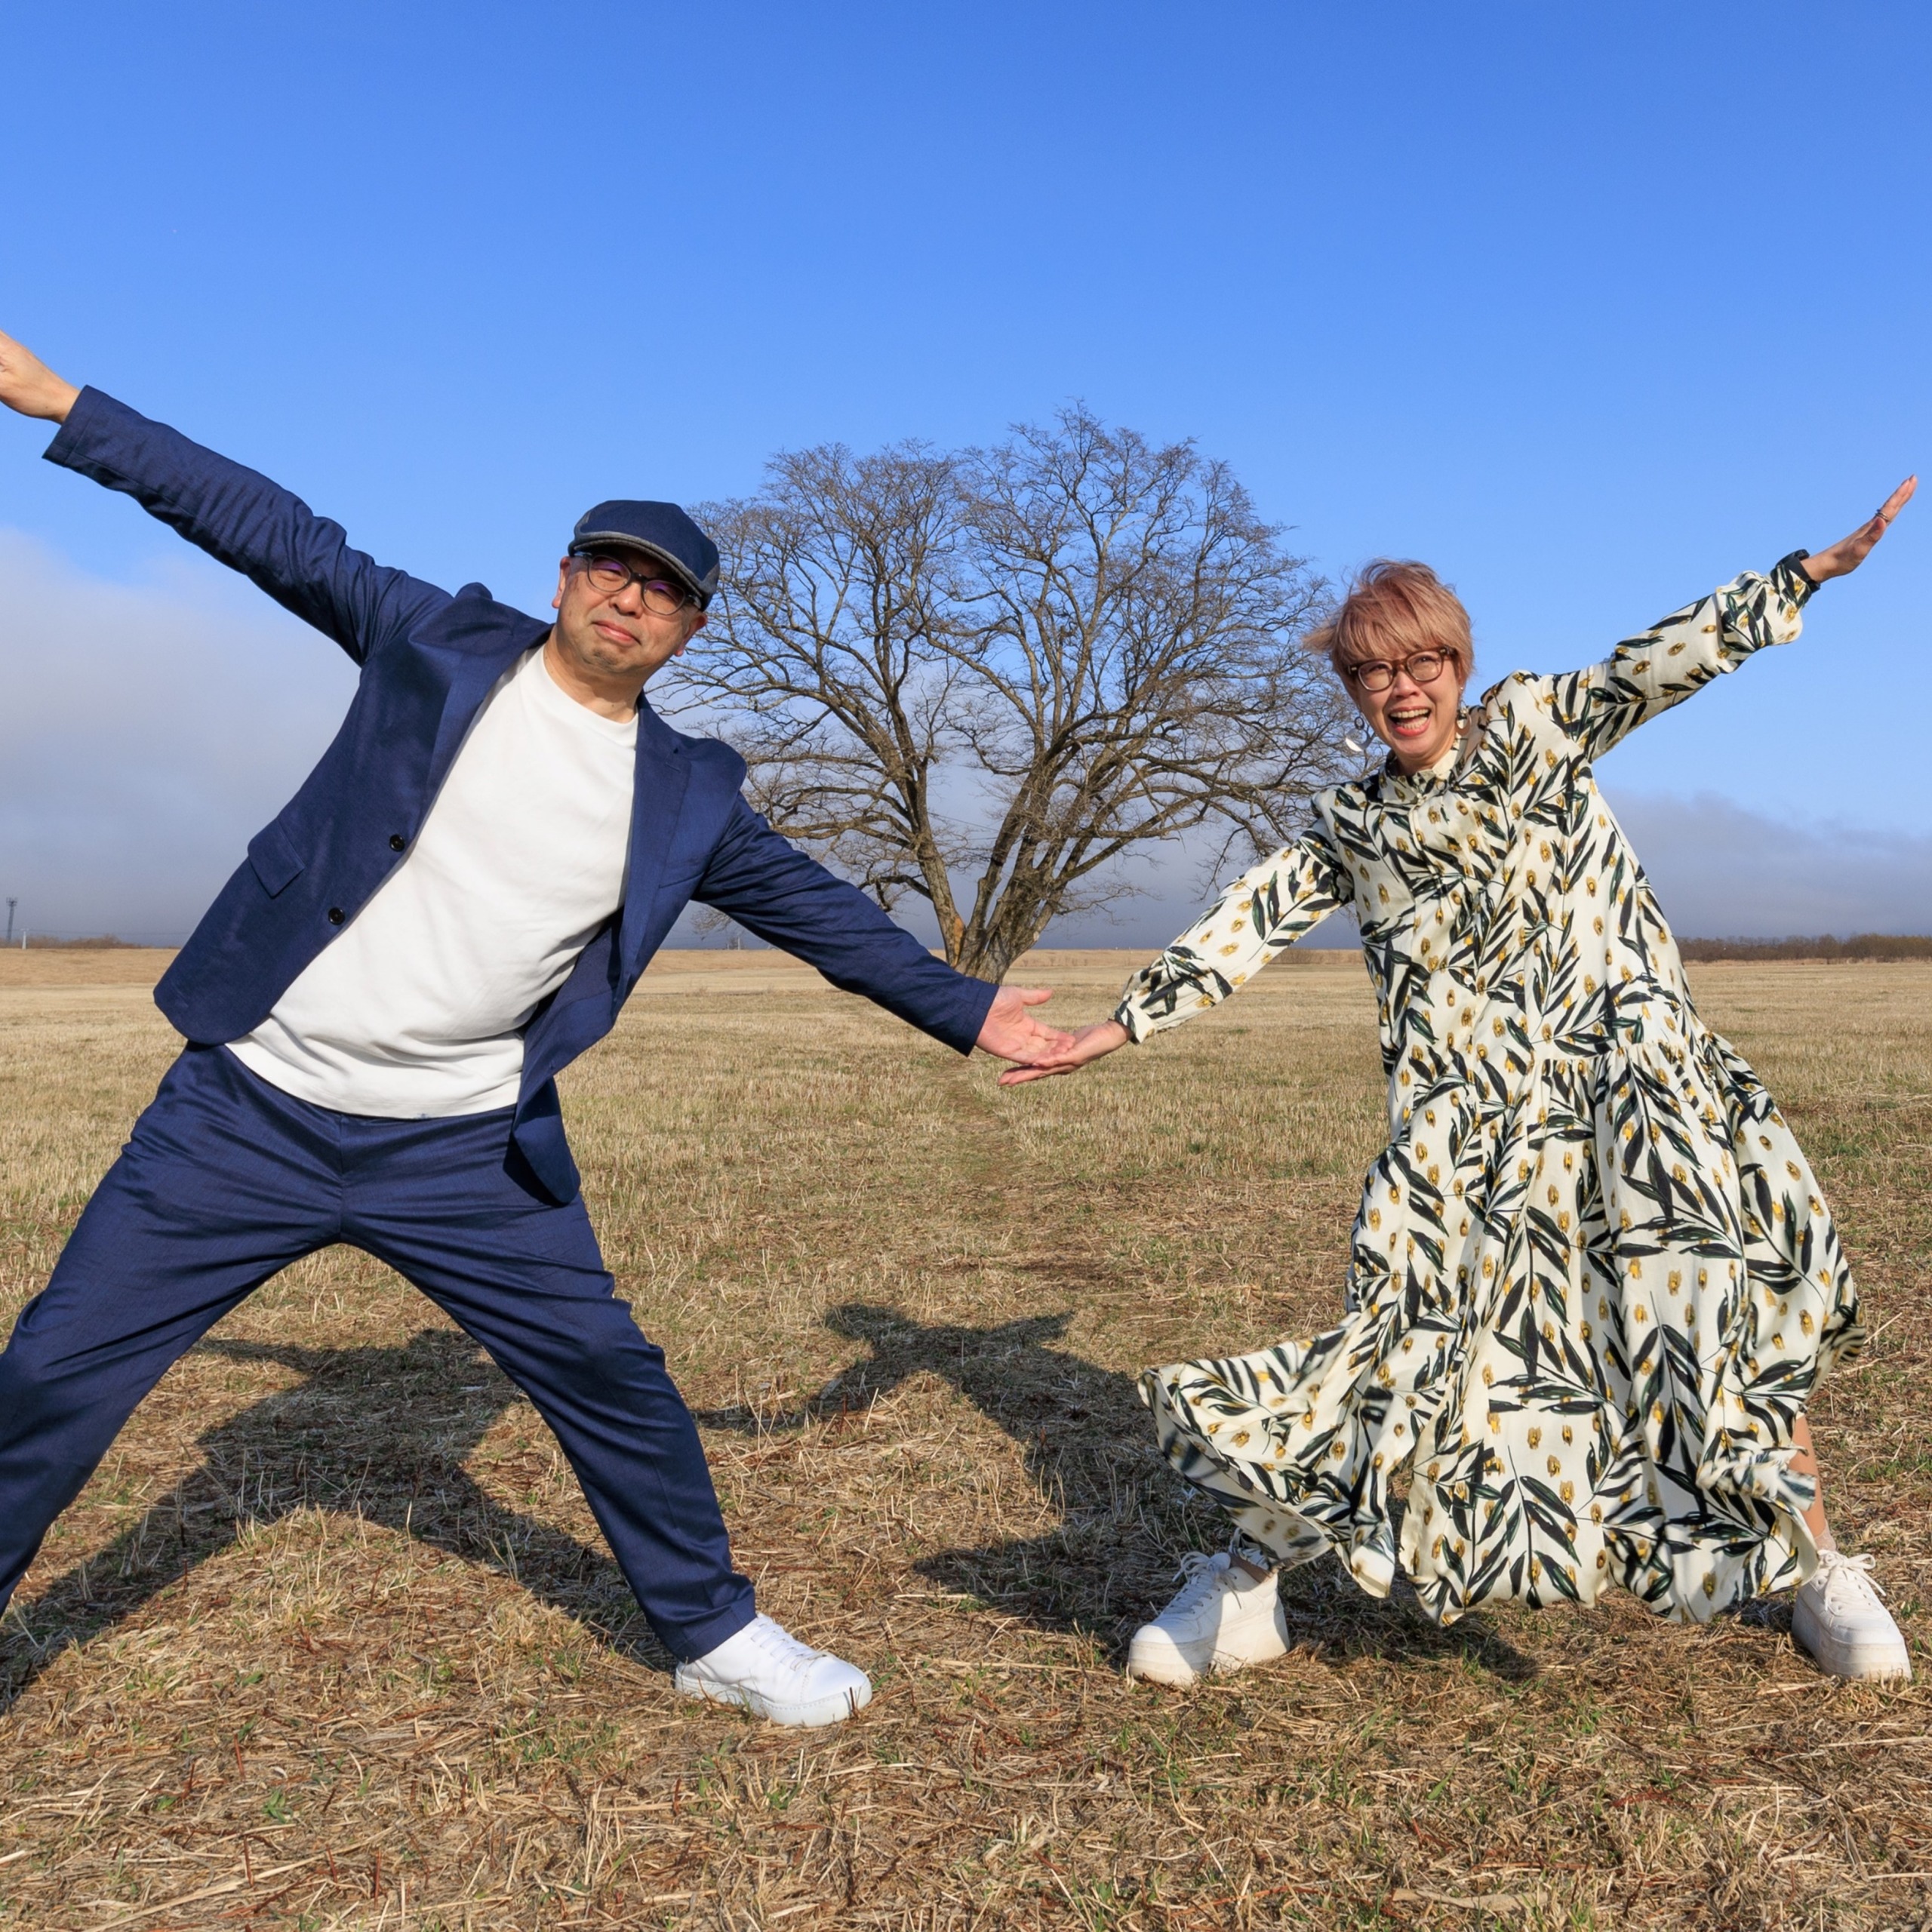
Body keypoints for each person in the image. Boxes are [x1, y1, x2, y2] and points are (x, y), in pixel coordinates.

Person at [0, 330, 1075, 1730]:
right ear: (565, 575)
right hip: (246, 1114)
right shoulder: (433, 641)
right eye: (611, 567)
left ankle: (714, 1631)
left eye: (666, 593)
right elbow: (261, 520)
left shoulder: (685, 794)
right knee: (48, 1372)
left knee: (610, 1376)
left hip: (461, 1152)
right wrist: (61, 402)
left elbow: (820, 915)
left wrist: (972, 1010)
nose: (631, 599)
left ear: (688, 632)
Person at [1005, 482, 1918, 1687]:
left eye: (1426, 661)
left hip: (1625, 1111)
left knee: (1715, 1332)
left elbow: (1650, 669)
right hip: (1460, 1139)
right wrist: (1118, 1027)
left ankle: (1815, 1569)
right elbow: (1252, 919)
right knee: (1395, 1349)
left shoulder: (1537, 728)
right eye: (1375, 672)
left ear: (1460, 662)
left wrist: (1796, 579)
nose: (1404, 689)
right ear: (1353, 687)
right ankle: (1247, 1585)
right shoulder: (1355, 823)